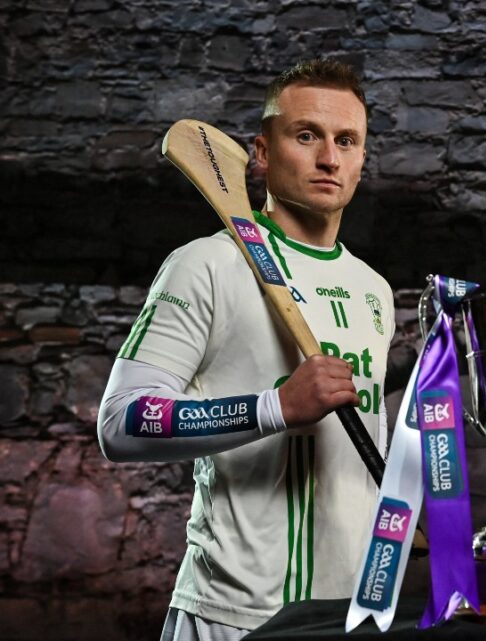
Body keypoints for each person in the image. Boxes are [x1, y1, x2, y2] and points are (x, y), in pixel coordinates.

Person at [98, 59, 395, 640]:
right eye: (306, 135)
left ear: (362, 159)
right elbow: (121, 420)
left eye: (347, 141)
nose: (329, 158)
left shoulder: (375, 291)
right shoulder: (206, 266)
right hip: (229, 618)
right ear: (260, 154)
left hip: (351, 617)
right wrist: (274, 408)